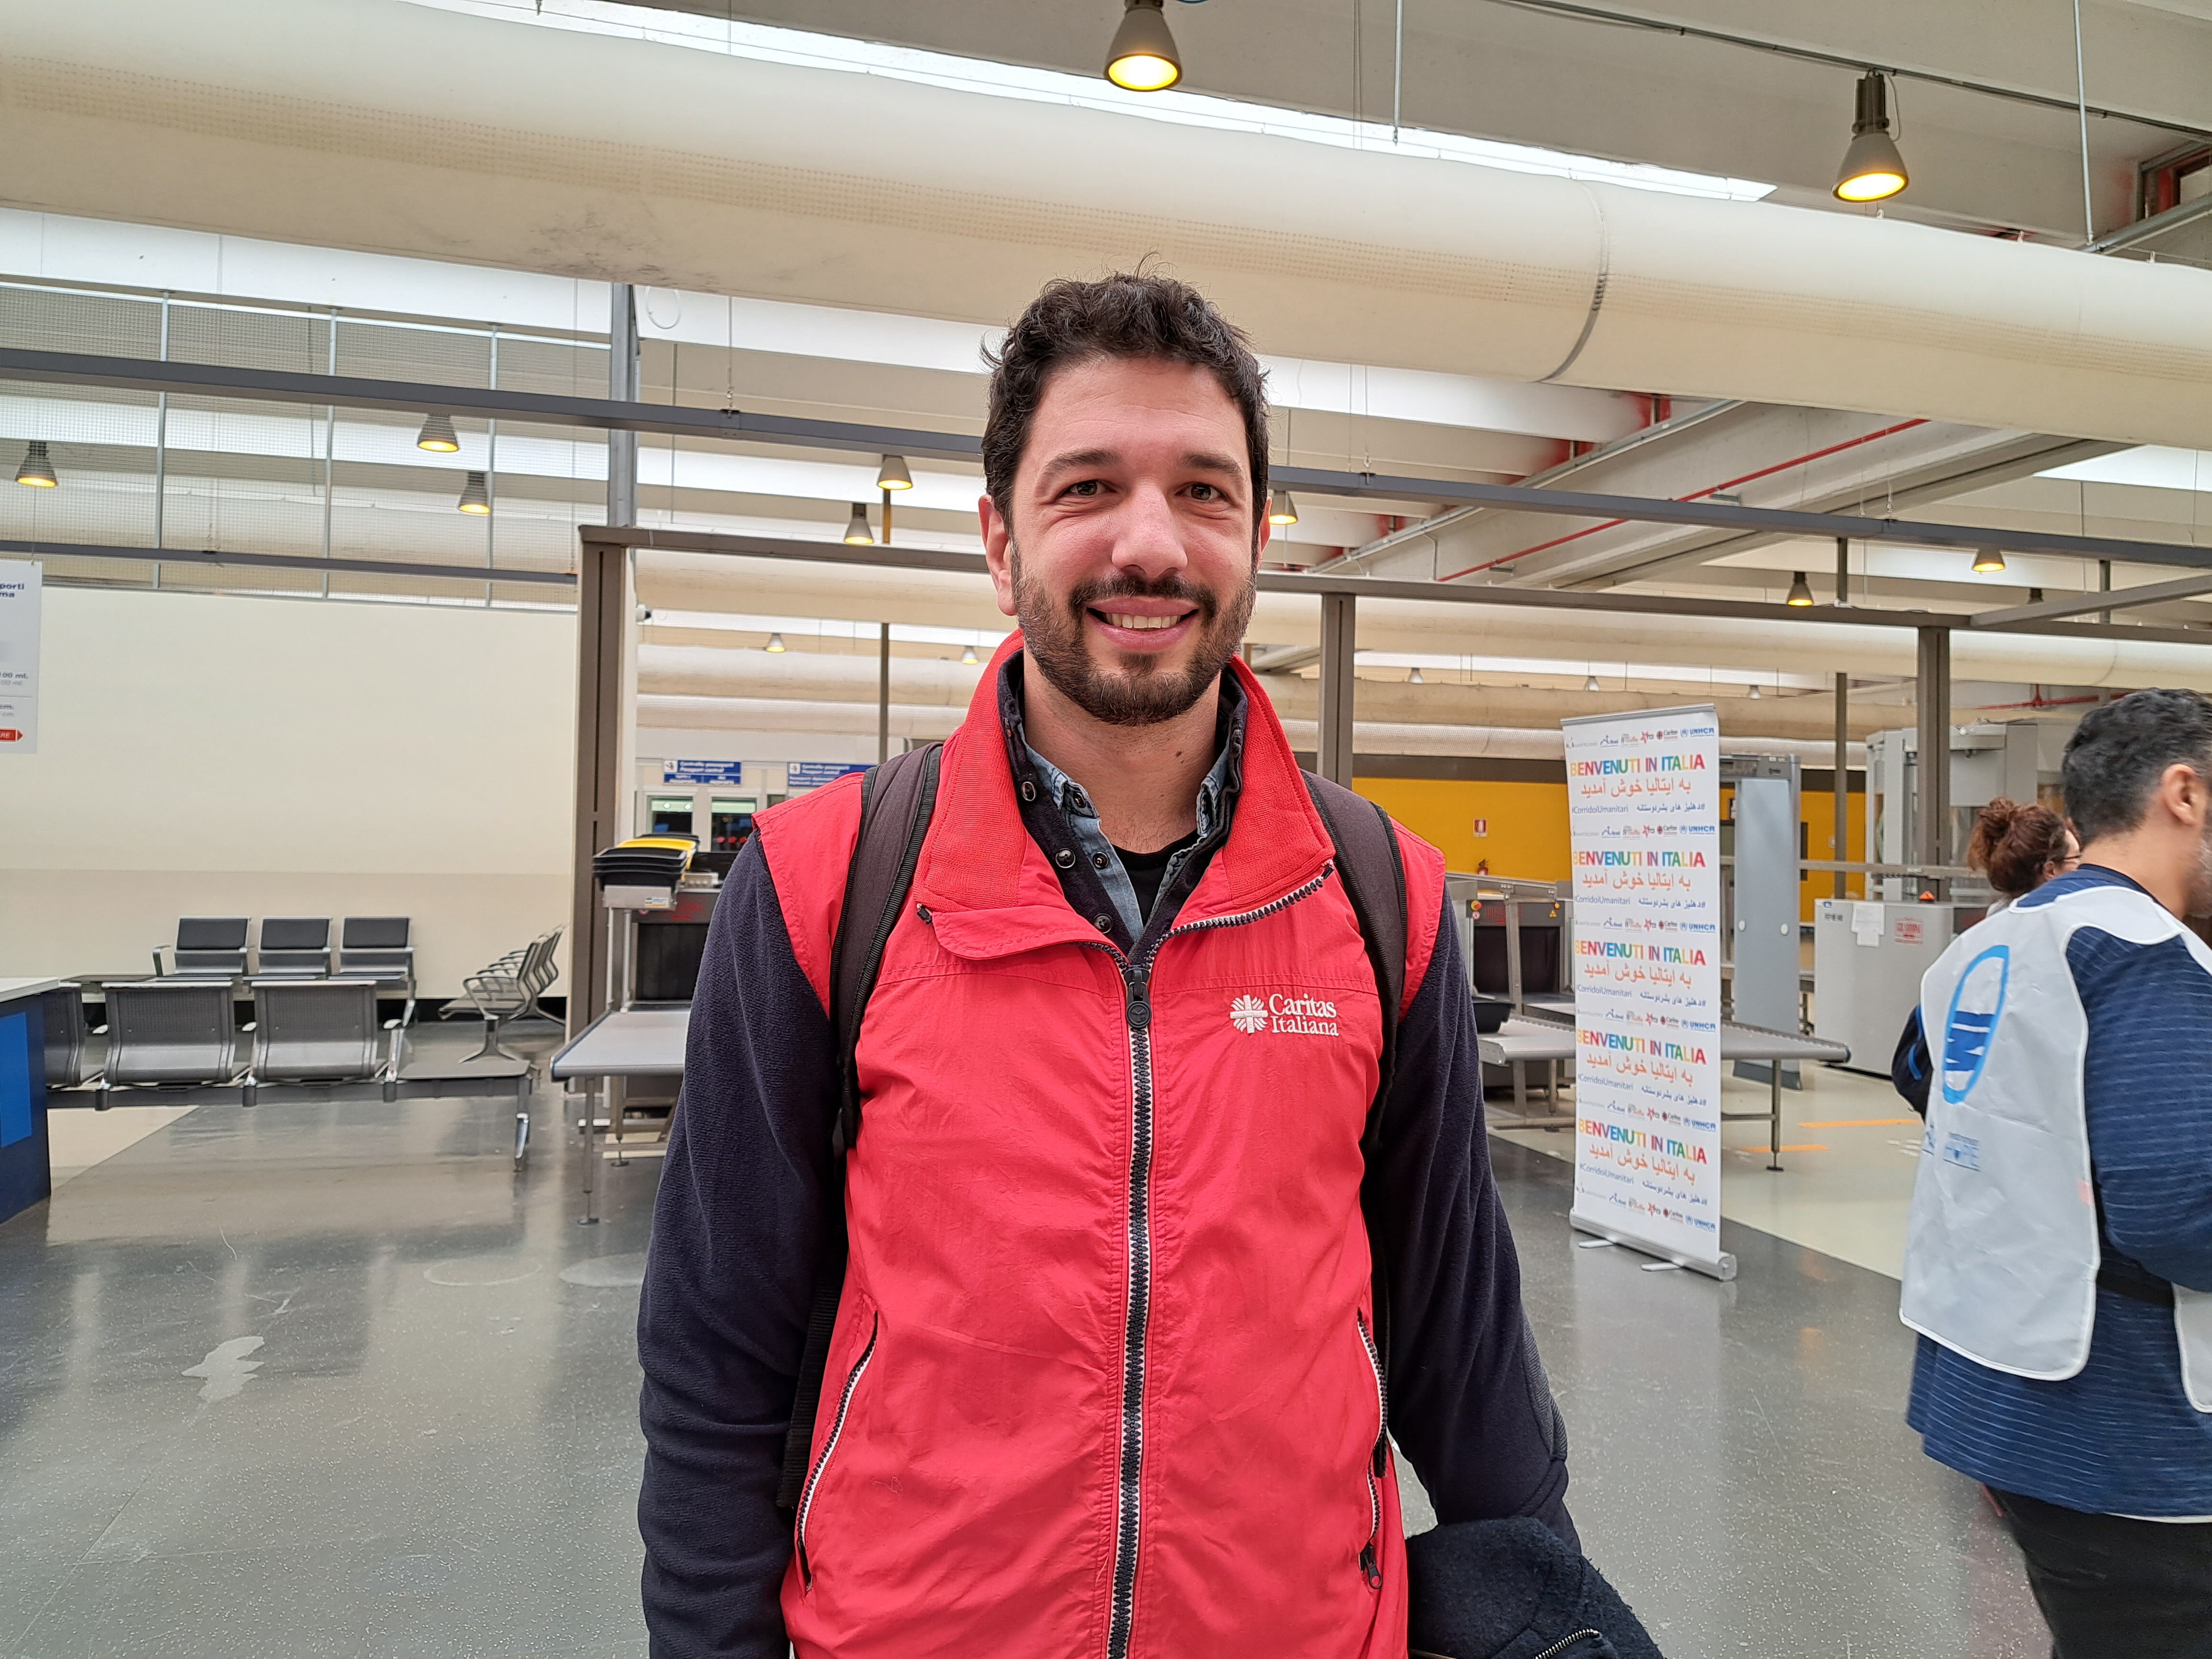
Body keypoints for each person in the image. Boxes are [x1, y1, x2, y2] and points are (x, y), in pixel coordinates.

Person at [636, 272, 1574, 1659]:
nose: (1150, 542)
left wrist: (1552, 1616)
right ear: (1000, 541)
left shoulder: (1387, 899)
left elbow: (1460, 1345)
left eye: (1203, 491)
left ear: (1257, 536)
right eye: (1087, 488)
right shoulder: (822, 884)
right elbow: (717, 1356)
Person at [1899, 688, 2212, 1659]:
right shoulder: (2144, 956)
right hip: (2133, 1432)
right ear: (2182, 793)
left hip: (2002, 1392)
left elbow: (1926, 1080)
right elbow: (2181, 1213)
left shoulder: (1981, 948)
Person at [1890, 797, 2079, 1112]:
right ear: (2050, 871)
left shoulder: (1981, 939)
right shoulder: (2051, 946)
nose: (2083, 868)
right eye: (2076, 858)